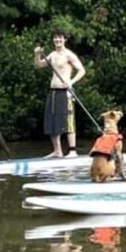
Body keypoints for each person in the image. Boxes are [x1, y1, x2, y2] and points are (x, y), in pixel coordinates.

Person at [34, 30, 85, 158]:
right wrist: (37, 55)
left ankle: (72, 151)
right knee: (52, 120)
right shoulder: (52, 54)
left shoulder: (69, 55)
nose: (58, 40)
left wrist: (71, 82)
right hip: (53, 91)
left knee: (68, 120)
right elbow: (39, 65)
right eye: (55, 38)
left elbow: (82, 70)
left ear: (65, 40)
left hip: (65, 91)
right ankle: (58, 151)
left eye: (60, 38)